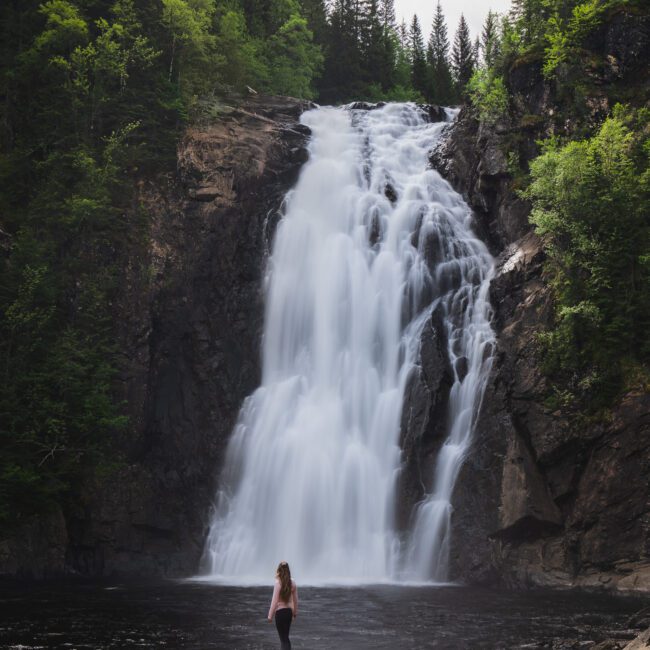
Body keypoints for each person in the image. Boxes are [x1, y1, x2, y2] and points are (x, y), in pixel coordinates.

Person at [267, 561, 298, 650]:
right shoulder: (292, 583)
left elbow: (274, 601)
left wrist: (270, 616)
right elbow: (295, 600)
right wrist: (295, 612)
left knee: (283, 639)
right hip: (288, 613)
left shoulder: (278, 583)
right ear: (288, 570)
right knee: (286, 638)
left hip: (280, 613)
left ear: (279, 570)